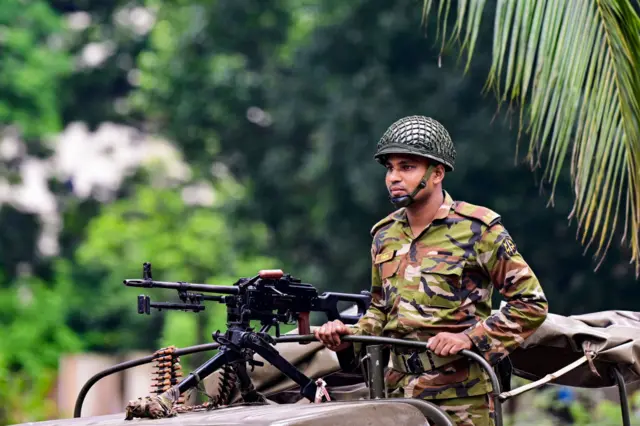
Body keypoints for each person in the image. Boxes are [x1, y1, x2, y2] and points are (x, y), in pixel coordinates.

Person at [314, 115, 549, 426]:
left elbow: (531, 304)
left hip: (463, 398)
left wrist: (470, 338)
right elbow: (381, 310)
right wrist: (348, 335)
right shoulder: (384, 235)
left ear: (437, 173)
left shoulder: (478, 230)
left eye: (406, 166)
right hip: (398, 393)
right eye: (390, 167)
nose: (393, 177)